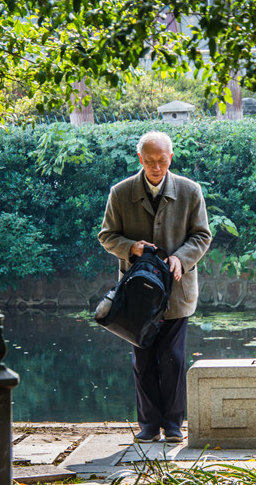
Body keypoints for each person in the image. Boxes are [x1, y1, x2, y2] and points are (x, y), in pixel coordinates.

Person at [98, 131, 212, 444]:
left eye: (162, 161)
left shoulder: (190, 191)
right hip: (137, 296)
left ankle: (174, 425)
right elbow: (106, 236)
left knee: (173, 359)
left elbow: (202, 236)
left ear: (170, 158)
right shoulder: (121, 193)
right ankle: (148, 425)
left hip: (177, 290)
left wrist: (180, 258)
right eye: (150, 161)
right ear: (140, 160)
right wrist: (131, 246)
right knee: (143, 359)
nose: (156, 167)